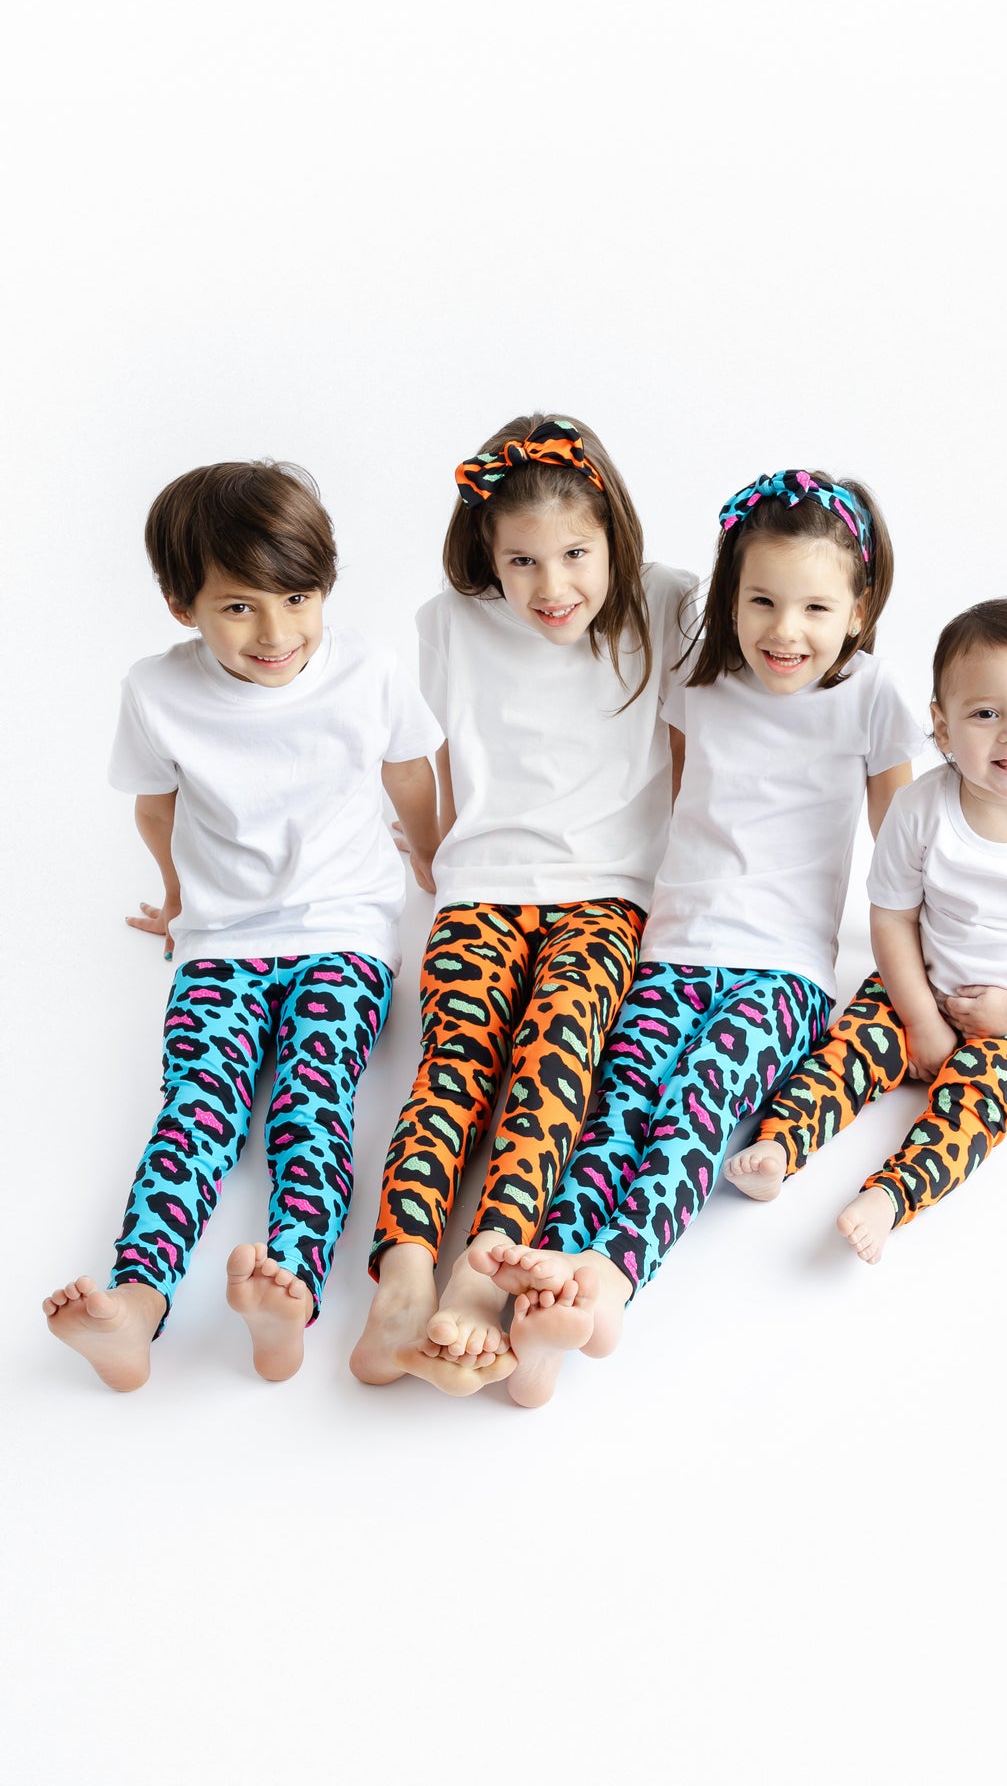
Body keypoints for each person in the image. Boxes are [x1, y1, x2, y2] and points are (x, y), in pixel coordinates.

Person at [476, 467, 924, 1406]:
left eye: (815, 607)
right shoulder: (700, 676)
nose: (784, 630)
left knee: (693, 1114)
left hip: (783, 973)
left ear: (859, 607)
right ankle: (548, 1291)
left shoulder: (871, 693)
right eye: (761, 601)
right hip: (671, 950)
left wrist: (924, 977)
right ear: (729, 595)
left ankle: (610, 1283)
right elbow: (677, 795)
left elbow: (901, 844)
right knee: (613, 1114)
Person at [43, 460, 440, 1389]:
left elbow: (409, 771)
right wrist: (179, 899)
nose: (276, 634)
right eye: (238, 608)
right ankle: (135, 1305)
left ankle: (288, 1294)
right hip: (222, 943)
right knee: (196, 1109)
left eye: (298, 599)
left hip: (342, 936)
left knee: (313, 1103)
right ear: (181, 605)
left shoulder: (368, 672)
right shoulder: (156, 691)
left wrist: (427, 854)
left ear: (325, 587)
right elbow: (155, 808)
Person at [349, 414, 695, 1396]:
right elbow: (424, 751)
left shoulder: (666, 601)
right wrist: (429, 849)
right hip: (482, 887)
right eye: (522, 561)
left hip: (608, 896)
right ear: (487, 553)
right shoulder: (448, 621)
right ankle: (402, 1280)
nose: (552, 587)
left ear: (614, 538)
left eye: (576, 554)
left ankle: (479, 1277)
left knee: (556, 1066)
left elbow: (694, 740)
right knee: (454, 1059)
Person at [723, 598, 1007, 1261]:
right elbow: (892, 916)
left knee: (979, 1102)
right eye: (985, 713)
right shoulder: (921, 808)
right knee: (842, 1051)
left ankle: (892, 1196)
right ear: (942, 727)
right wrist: (919, 1017)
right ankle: (779, 1144)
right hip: (918, 985)